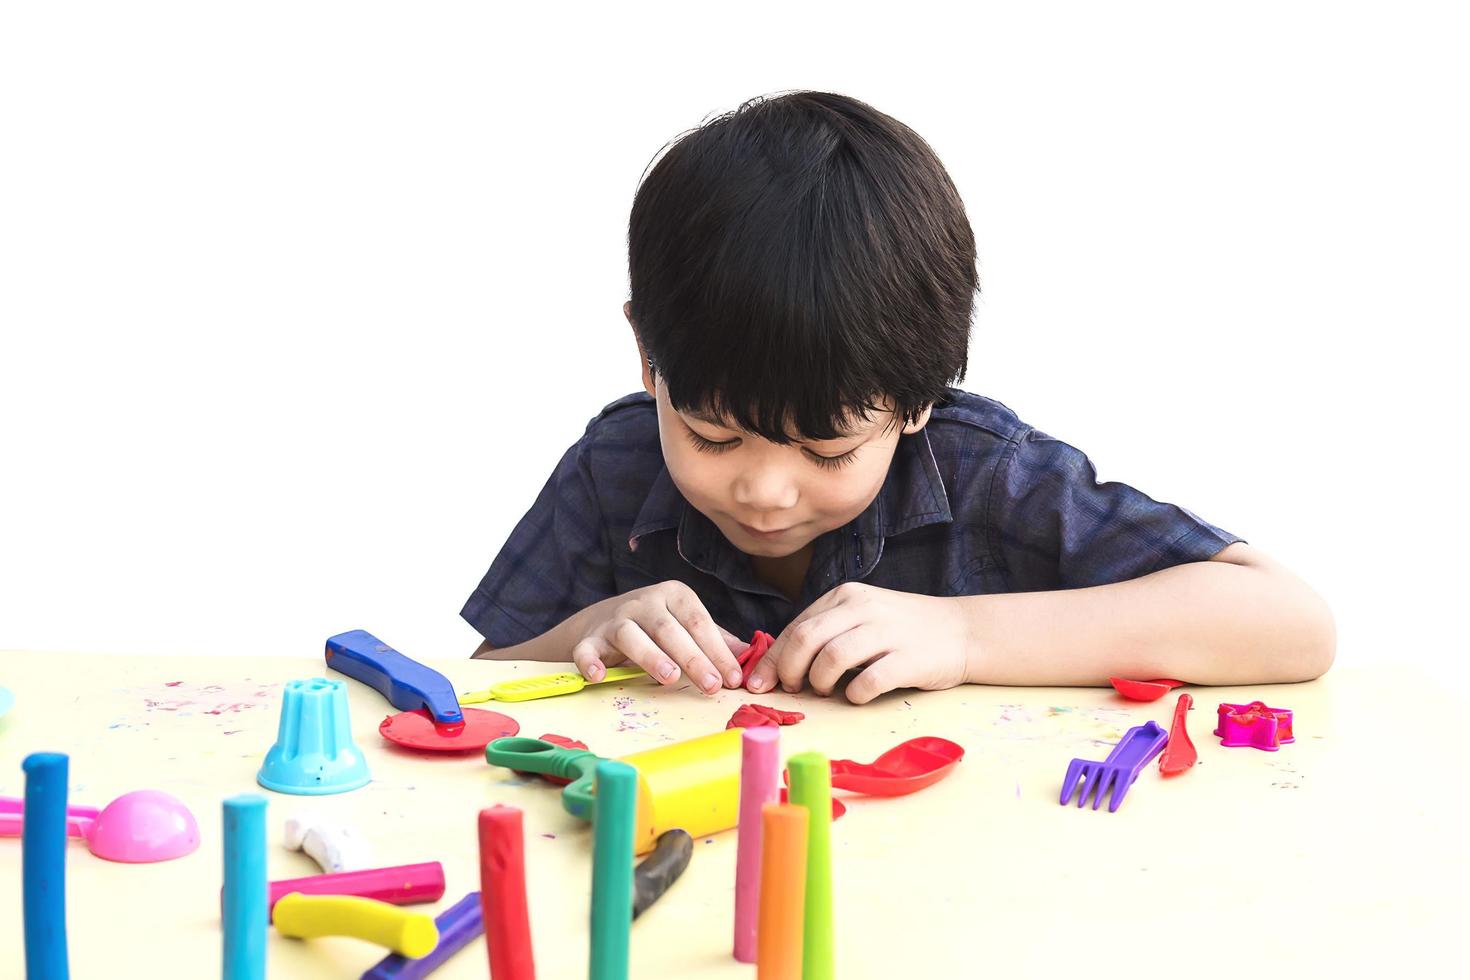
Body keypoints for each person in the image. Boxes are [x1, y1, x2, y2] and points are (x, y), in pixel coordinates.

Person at [462, 91, 1334, 704]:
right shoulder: (613, 470)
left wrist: (965, 638)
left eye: (830, 451)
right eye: (713, 436)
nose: (764, 490)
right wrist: (596, 632)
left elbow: (1290, 623)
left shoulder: (987, 477)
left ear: (918, 398)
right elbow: (485, 675)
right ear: (648, 357)